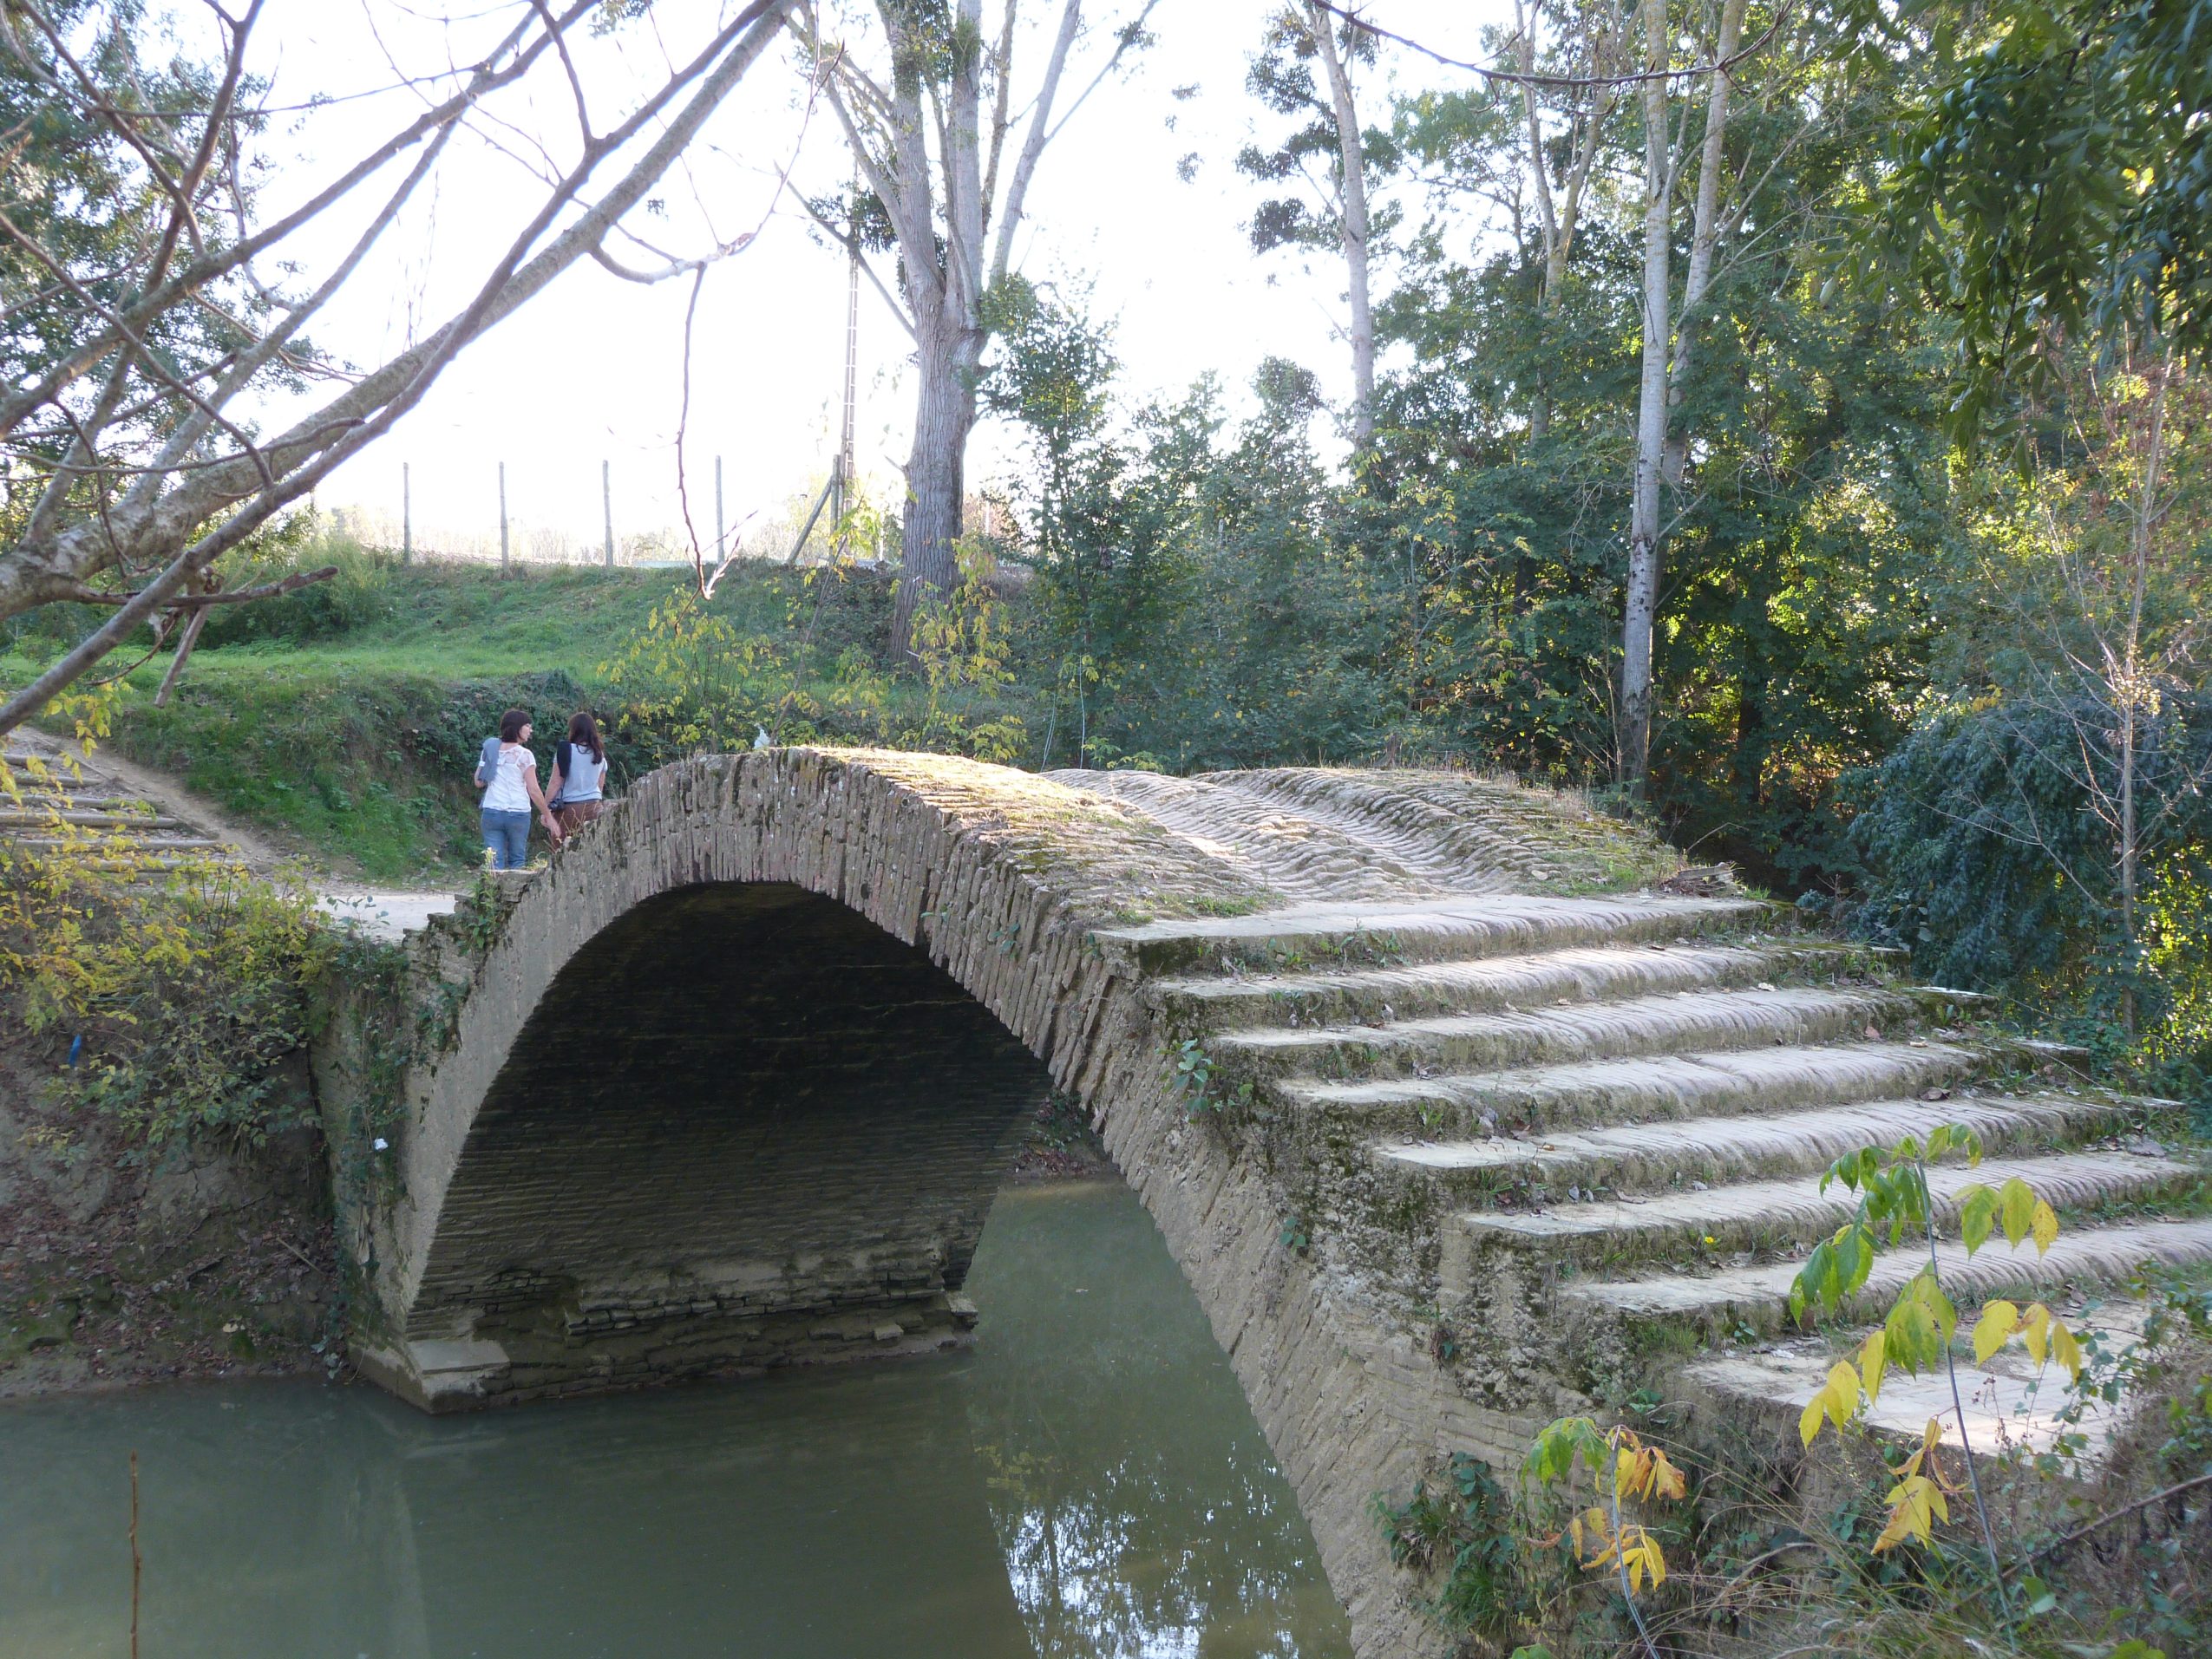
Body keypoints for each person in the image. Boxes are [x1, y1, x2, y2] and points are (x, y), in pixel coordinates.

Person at [478, 708, 561, 869]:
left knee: (493, 862)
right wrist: (548, 817)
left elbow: (479, 782)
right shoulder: (524, 755)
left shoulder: (489, 749)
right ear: (517, 728)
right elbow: (534, 790)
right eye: (528, 726)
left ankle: (492, 893)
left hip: (492, 810)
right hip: (518, 812)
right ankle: (515, 893)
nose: (531, 730)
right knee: (517, 860)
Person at [546, 711, 610, 837]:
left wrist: (546, 809)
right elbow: (600, 785)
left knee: (561, 850)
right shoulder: (599, 754)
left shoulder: (566, 751)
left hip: (570, 808)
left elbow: (555, 782)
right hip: (594, 807)